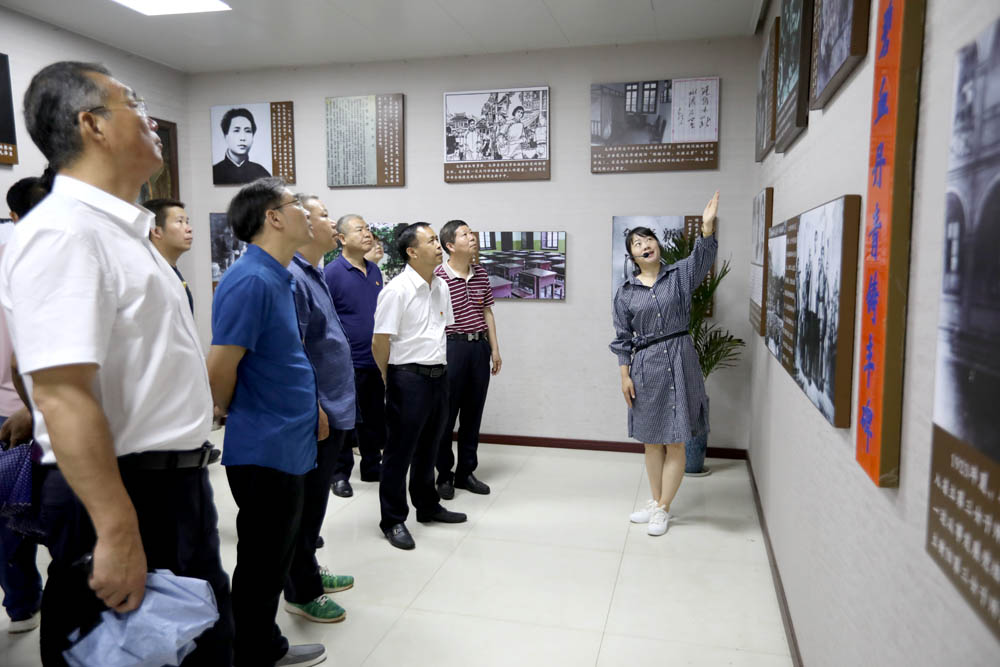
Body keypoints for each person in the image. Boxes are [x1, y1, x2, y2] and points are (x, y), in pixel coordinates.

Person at [0, 61, 233, 664]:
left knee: (197, 646)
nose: (151, 118)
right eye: (133, 103)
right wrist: (117, 528)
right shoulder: (65, 233)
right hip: (124, 493)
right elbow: (62, 396)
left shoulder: (124, 233)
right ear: (92, 125)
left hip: (170, 487)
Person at [207, 177, 325, 666]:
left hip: (287, 438)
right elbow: (220, 369)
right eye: (296, 203)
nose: (305, 210)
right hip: (264, 446)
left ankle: (261, 645)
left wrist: (311, 407)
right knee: (260, 562)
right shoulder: (251, 279)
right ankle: (254, 653)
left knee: (274, 557)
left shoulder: (280, 275)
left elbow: (284, 355)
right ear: (273, 217)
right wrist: (235, 412)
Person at [610, 191, 719, 537]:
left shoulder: (680, 276)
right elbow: (622, 338)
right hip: (646, 367)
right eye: (637, 244)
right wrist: (624, 376)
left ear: (657, 245)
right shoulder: (625, 292)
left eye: (648, 239)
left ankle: (663, 508)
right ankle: (657, 502)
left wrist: (706, 227)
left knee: (676, 440)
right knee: (651, 440)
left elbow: (703, 257)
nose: (645, 245)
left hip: (681, 358)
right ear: (632, 257)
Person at [283, 195, 356, 624]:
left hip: (335, 405)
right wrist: (314, 406)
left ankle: (307, 570)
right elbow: (294, 349)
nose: (332, 221)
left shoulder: (315, 273)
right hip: (319, 411)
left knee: (315, 507)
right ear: (303, 224)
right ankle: (301, 591)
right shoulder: (292, 276)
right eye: (324, 215)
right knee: (306, 507)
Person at [372, 223, 466, 550]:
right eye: (430, 241)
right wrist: (388, 379)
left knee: (431, 446)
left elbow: (442, 330)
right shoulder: (396, 290)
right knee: (399, 453)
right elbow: (379, 341)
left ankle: (427, 506)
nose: (438, 246)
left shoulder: (441, 285)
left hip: (439, 376)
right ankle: (393, 519)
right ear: (412, 252)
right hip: (407, 378)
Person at [0, 176, 48, 636]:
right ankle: (24, 600)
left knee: (12, 513)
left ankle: (22, 602)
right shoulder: (34, 265)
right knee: (22, 512)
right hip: (28, 408)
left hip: (24, 408)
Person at [433, 220, 502, 500]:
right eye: (465, 234)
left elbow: (487, 313)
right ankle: (444, 475)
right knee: (445, 416)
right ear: (450, 245)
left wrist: (495, 349)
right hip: (450, 348)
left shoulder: (482, 274)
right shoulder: (438, 276)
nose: (472, 237)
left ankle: (466, 472)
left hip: (478, 349)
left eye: (471, 233)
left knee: (473, 414)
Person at [325, 215, 383, 497]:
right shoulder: (332, 273)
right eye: (360, 229)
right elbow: (327, 318)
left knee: (373, 416)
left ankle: (372, 466)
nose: (367, 233)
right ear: (342, 238)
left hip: (375, 359)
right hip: (346, 361)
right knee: (346, 420)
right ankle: (339, 474)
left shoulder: (374, 271)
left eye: (368, 228)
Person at [145, 198, 194, 312]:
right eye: (179, 221)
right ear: (156, 231)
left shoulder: (171, 270)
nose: (189, 229)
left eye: (187, 222)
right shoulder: (151, 274)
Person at [212, 107, 271, 185]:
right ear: (225, 136)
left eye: (248, 131)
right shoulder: (215, 172)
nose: (242, 138)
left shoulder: (262, 173)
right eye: (236, 131)